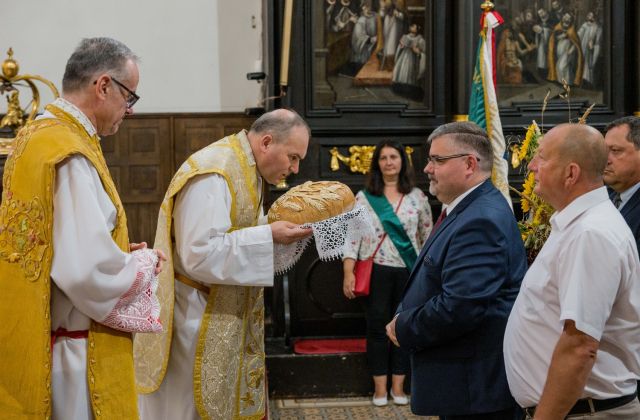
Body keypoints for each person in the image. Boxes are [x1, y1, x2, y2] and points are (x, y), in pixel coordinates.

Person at [0, 37, 166, 419]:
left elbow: (57, 244)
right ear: (103, 86)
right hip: (75, 357)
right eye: (130, 97)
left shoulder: (35, 137)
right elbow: (86, 271)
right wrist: (141, 265)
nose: (131, 110)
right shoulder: (69, 153)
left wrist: (117, 252)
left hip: (42, 336)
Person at [135, 109, 313, 420]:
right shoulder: (214, 171)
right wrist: (268, 235)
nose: (294, 168)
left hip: (219, 313)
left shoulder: (246, 167)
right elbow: (199, 253)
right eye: (293, 157)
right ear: (267, 142)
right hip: (193, 320)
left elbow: (237, 230)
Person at [386, 121, 526, 419]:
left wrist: (404, 326)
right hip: (463, 385)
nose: (427, 168)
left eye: (437, 160)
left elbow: (461, 306)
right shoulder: (466, 207)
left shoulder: (481, 219)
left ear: (469, 164)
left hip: (474, 390)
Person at [504, 123, 640, 418]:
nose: (531, 166)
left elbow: (580, 346)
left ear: (571, 173)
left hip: (584, 412)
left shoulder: (591, 233)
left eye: (542, 157)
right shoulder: (577, 224)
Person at [342, 139, 432, 407]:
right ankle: (380, 388)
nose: (389, 162)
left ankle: (399, 387)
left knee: (403, 328)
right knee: (377, 329)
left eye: (394, 157)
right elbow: (352, 238)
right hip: (376, 271)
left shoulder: (418, 197)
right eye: (383, 158)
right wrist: (348, 272)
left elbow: (427, 238)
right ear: (377, 163)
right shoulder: (364, 198)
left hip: (408, 271)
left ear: (403, 161)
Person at [547, 12, 583, 86]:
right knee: (560, 67)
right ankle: (564, 82)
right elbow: (553, 39)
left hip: (568, 51)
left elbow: (576, 44)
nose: (567, 19)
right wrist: (561, 36)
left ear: (571, 20)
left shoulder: (572, 30)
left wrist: (571, 51)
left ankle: (566, 83)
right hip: (559, 52)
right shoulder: (558, 27)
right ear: (563, 17)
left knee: (561, 66)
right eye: (565, 17)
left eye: (569, 18)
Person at [577, 11, 602, 89]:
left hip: (590, 50)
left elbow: (598, 42)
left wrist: (593, 47)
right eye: (588, 15)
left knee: (589, 67)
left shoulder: (598, 28)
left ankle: (589, 84)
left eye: (591, 15)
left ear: (594, 17)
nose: (589, 16)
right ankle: (581, 83)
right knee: (582, 65)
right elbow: (578, 35)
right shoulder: (584, 25)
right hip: (582, 48)